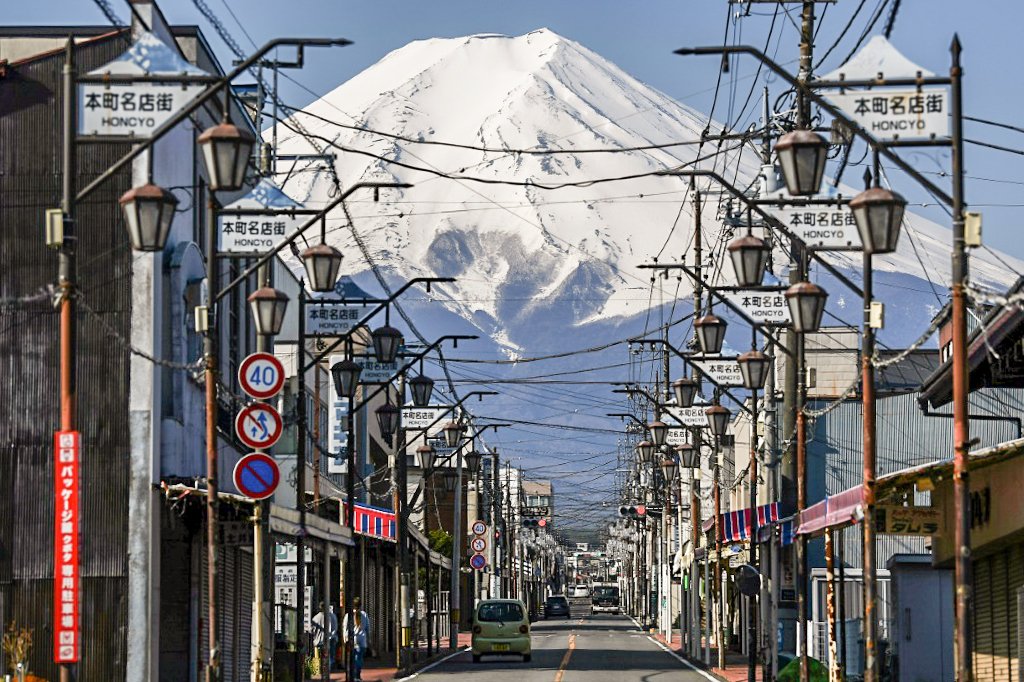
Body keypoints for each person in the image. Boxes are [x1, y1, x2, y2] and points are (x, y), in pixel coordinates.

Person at [342, 597, 371, 681]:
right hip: (362, 640)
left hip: (352, 640)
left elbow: (345, 629)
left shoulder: (348, 615)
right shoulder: (364, 614)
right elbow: (368, 628)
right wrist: (368, 640)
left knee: (352, 658)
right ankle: (357, 675)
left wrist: (345, 640)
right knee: (359, 658)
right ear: (360, 605)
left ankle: (353, 675)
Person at [311, 604, 338, 670]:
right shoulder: (333, 616)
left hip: (319, 640)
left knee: (320, 656)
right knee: (330, 656)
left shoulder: (316, 617)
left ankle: (321, 668)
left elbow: (312, 630)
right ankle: (328, 668)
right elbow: (336, 628)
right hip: (331, 639)